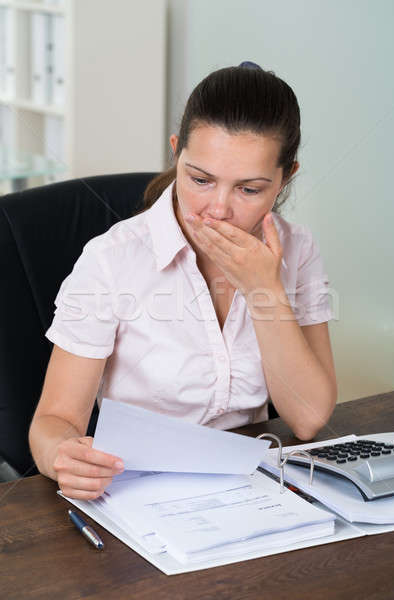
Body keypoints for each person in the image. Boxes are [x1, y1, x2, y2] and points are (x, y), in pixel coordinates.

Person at [29, 63, 337, 501]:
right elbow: (53, 421)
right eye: (200, 179)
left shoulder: (298, 250)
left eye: (249, 189)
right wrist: (63, 454)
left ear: (285, 178)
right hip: (136, 490)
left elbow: (308, 419)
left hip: (250, 487)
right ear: (177, 153)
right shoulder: (112, 259)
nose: (218, 209)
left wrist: (263, 289)